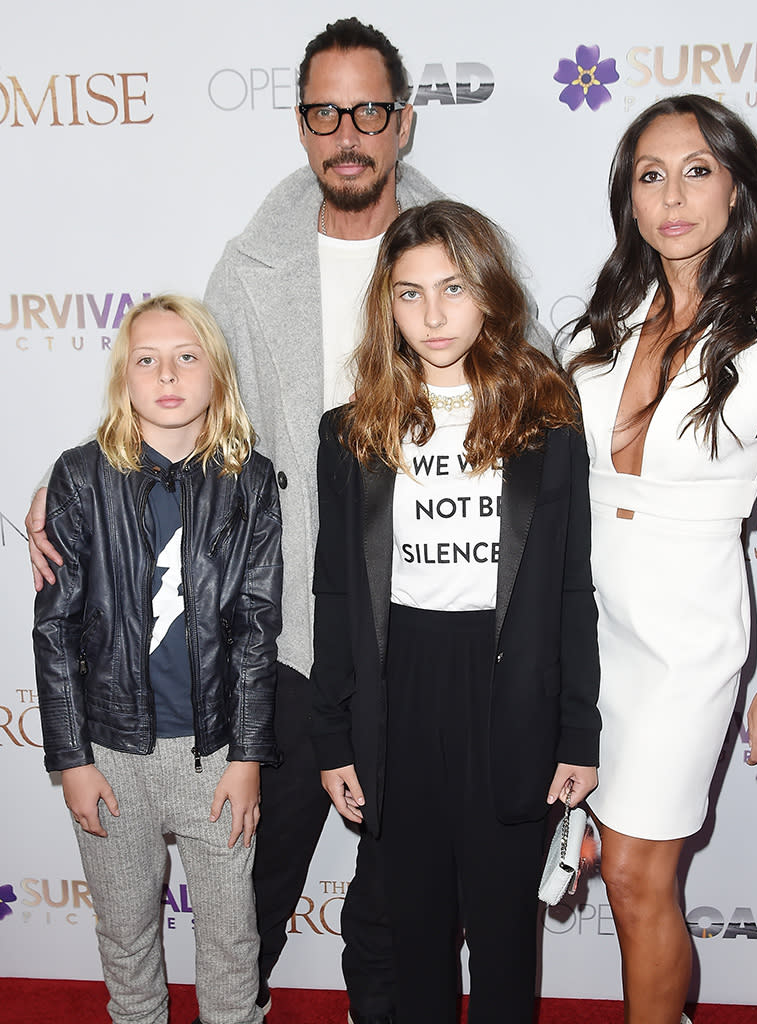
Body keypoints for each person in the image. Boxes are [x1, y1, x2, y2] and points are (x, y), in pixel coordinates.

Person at [25, 21, 551, 1023]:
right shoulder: (250, 265)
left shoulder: (457, 254)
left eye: (366, 110)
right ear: (302, 124)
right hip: (296, 639)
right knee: (252, 886)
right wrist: (78, 479)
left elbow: (530, 410)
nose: (346, 133)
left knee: (402, 901)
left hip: (430, 637)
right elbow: (191, 405)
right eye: (323, 111)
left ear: (401, 120)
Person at [563, 95, 757, 1024]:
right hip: (584, 618)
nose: (672, 195)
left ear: (737, 187)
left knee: (640, 869)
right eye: (650, 175)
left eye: (697, 170)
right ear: (628, 199)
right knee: (614, 863)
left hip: (685, 636)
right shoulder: (600, 323)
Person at [310, 200, 601, 1024]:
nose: (432, 315)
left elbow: (572, 589)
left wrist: (579, 730)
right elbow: (336, 593)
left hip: (509, 697)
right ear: (386, 306)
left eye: (453, 287)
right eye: (408, 294)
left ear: (490, 295)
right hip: (399, 697)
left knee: (508, 941)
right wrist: (333, 736)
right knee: (416, 940)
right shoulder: (350, 434)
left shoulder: (549, 428)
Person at [32, 295, 283, 1024]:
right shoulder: (79, 478)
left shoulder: (251, 479)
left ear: (216, 373)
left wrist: (249, 757)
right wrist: (72, 760)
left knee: (234, 944)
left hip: (217, 758)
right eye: (147, 359)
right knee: (127, 941)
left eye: (186, 356)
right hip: (111, 757)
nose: (166, 374)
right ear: (124, 378)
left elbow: (258, 629)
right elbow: (55, 632)